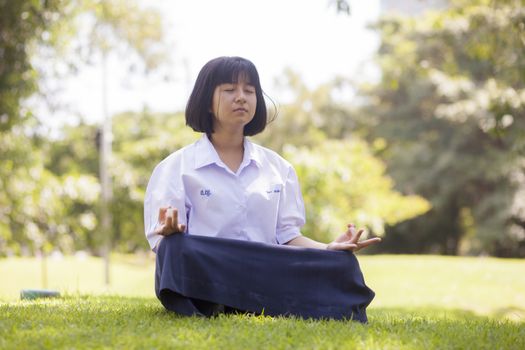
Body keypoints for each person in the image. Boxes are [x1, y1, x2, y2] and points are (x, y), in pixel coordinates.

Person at [144, 56, 381, 322]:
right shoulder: (176, 167)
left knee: (342, 263)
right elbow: (162, 243)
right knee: (175, 250)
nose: (241, 97)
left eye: (249, 90)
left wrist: (328, 248)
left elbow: (288, 236)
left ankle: (237, 301)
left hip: (266, 267)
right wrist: (172, 235)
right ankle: (239, 300)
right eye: (229, 90)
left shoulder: (279, 168)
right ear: (207, 102)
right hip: (209, 268)